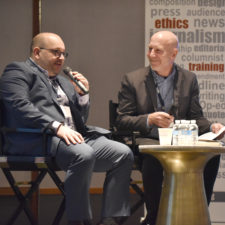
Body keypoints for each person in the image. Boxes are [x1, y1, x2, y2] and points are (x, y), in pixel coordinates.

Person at [0, 32, 134, 225]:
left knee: (122, 153)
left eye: (64, 53)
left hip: (72, 138)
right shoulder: (17, 71)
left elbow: (80, 121)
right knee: (83, 154)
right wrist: (55, 127)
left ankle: (110, 219)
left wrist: (83, 96)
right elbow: (19, 106)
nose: (61, 58)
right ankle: (79, 221)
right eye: (56, 52)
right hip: (38, 138)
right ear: (37, 52)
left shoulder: (64, 82)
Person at [116, 30, 225, 225]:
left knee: (212, 154)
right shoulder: (132, 80)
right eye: (150, 49)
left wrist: (211, 126)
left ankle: (198, 213)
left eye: (158, 51)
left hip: (180, 140)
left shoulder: (189, 78)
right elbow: (122, 120)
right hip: (148, 140)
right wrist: (150, 119)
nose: (151, 55)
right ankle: (155, 217)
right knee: (153, 159)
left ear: (173, 54)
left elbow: (196, 117)